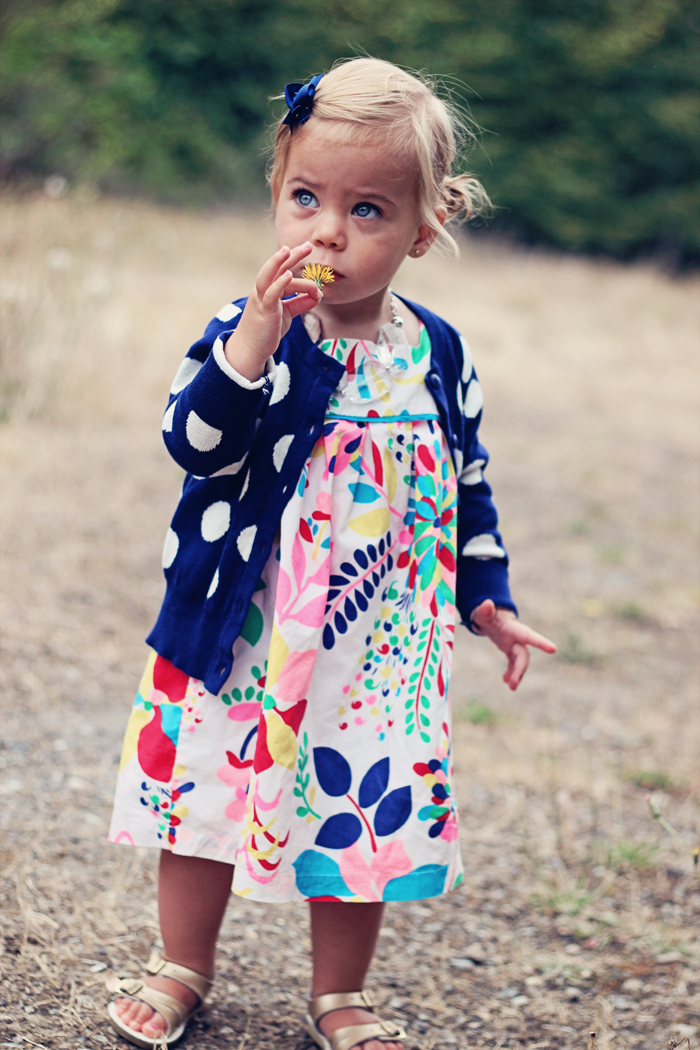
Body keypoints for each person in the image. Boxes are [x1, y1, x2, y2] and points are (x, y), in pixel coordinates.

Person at [105, 56, 556, 1050]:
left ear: (425, 227)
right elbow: (194, 442)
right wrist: (257, 338)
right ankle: (182, 964)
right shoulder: (253, 331)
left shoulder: (437, 353)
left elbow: (468, 486)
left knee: (366, 805)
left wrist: (487, 597)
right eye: (306, 198)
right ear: (276, 191)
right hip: (248, 629)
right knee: (208, 789)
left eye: (368, 210)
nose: (327, 232)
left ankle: (340, 992)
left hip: (379, 649)